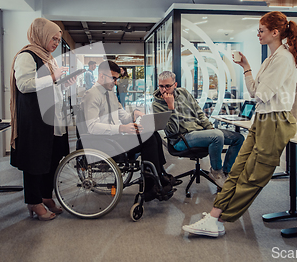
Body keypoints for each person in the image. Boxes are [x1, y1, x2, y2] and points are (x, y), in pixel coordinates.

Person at [182, 11, 297, 237]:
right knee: (238, 170)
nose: (258, 34)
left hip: (275, 121)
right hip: (262, 118)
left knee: (253, 176)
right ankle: (214, 216)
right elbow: (254, 92)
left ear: (275, 32)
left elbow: (261, 94)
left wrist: (256, 86)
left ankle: (219, 217)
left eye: (261, 30)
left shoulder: (283, 58)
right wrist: (246, 67)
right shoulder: (271, 58)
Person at [81, 60, 180, 198]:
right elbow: (92, 127)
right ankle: (151, 186)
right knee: (149, 140)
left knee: (153, 133)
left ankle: (159, 174)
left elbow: (122, 115)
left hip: (116, 136)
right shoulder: (92, 95)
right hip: (105, 141)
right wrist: (121, 128)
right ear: (102, 76)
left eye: (117, 78)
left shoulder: (110, 93)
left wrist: (134, 115)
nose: (115, 82)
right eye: (113, 78)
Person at [10, 18, 75, 221]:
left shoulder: (48, 58)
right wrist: (54, 78)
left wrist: (62, 84)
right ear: (41, 36)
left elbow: (48, 87)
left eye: (58, 39)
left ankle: (46, 197)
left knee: (52, 159)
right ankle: (34, 202)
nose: (56, 43)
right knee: (35, 163)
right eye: (53, 38)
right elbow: (24, 85)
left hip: (51, 119)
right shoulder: (27, 56)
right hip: (35, 120)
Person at [152, 71, 245, 188]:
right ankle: (216, 171)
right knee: (216, 136)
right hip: (181, 139)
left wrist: (209, 127)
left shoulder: (183, 93)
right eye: (161, 86)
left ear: (175, 85)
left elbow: (198, 112)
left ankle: (226, 173)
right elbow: (173, 131)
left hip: (199, 131)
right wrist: (171, 107)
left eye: (168, 86)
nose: (164, 90)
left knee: (238, 138)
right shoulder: (157, 105)